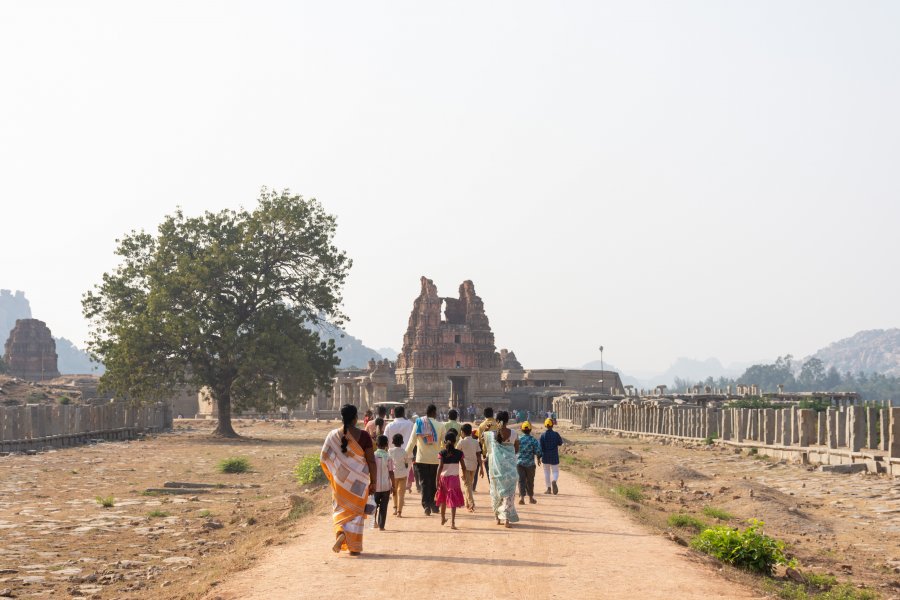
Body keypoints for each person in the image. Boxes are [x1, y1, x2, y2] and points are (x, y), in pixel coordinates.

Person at [320, 404, 376, 556]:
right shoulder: (364, 436)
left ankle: (341, 533)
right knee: (356, 514)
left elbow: (324, 458)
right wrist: (374, 482)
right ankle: (354, 547)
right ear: (356, 418)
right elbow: (371, 460)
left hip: (340, 483)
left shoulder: (332, 435)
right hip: (360, 482)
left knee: (340, 511)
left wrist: (335, 475)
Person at [485, 410, 519, 528]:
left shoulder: (492, 434)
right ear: (508, 421)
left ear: (497, 421)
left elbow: (484, 444)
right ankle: (507, 520)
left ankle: (497, 518)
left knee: (496, 493)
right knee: (509, 495)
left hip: (496, 469)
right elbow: (516, 449)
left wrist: (486, 430)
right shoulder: (514, 433)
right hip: (510, 470)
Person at [405, 404, 442, 515]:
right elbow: (444, 445)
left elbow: (412, 441)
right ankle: (435, 505)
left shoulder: (419, 423)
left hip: (421, 459)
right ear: (434, 413)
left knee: (424, 483)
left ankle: (426, 506)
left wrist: (405, 455)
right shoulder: (440, 426)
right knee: (434, 483)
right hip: (436, 460)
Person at [435, 430, 466, 529]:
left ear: (445, 441)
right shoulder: (459, 453)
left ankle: (443, 518)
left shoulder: (442, 453)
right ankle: (453, 523)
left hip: (443, 478)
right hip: (454, 479)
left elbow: (440, 467)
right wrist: (464, 475)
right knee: (453, 501)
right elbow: (464, 467)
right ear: (455, 441)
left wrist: (437, 479)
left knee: (443, 499)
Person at [384, 405, 415, 493]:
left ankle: (396, 496)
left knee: (394, 475)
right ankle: (401, 497)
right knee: (404, 476)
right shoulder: (410, 424)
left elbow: (385, 440)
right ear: (403, 413)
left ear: (394, 414)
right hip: (407, 454)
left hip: (392, 455)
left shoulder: (389, 426)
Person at [456, 423, 482, 512]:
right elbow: (478, 455)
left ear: (462, 432)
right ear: (471, 432)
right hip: (474, 465)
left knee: (468, 485)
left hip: (465, 466)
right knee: (469, 484)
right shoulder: (475, 442)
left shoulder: (461, 442)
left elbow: (457, 453)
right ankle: (468, 503)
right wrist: (481, 467)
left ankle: (471, 504)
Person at [372, 435, 395, 530]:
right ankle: (382, 526)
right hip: (386, 486)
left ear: (376, 444)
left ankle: (373, 522)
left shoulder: (372, 456)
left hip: (375, 486)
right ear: (386, 444)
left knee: (374, 505)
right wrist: (393, 485)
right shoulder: (388, 456)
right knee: (384, 507)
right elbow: (391, 472)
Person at [516, 421, 542, 505]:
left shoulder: (519, 439)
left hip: (519, 463)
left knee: (521, 480)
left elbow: (514, 450)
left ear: (522, 430)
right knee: (530, 481)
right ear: (530, 429)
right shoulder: (533, 440)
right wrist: (538, 458)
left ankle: (522, 498)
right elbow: (538, 451)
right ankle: (531, 498)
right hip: (530, 464)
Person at [540, 418, 564, 495]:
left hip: (545, 456)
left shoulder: (542, 435)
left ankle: (548, 489)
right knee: (555, 471)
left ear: (545, 425)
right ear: (552, 425)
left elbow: (541, 447)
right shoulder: (556, 434)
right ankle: (554, 480)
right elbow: (560, 443)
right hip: (554, 456)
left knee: (546, 472)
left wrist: (539, 456)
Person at [388, 433, 409, 517]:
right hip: (403, 474)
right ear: (402, 442)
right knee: (401, 494)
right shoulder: (404, 451)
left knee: (394, 492)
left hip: (393, 474)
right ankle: (399, 512)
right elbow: (406, 463)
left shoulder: (390, 451)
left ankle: (395, 508)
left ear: (393, 442)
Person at [477, 407, 498, 482]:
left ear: (484, 414)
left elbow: (480, 440)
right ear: (493, 414)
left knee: (489, 471)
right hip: (497, 451)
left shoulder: (481, 425)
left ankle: (492, 487)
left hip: (486, 451)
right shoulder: (498, 424)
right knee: (497, 471)